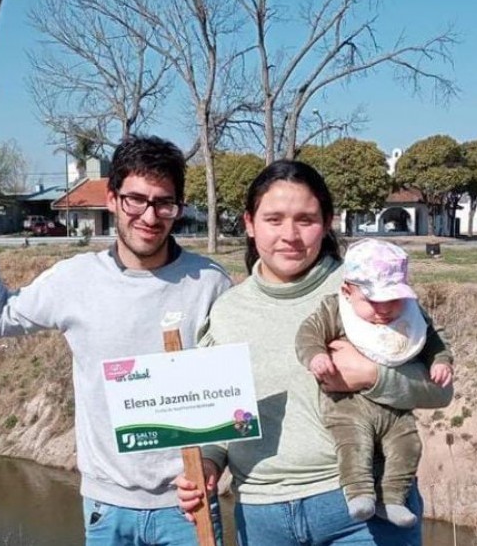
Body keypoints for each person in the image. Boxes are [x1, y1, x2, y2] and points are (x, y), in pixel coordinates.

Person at [0, 135, 232, 546]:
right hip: (105, 509)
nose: (150, 216)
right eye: (135, 199)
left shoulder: (211, 284)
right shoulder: (75, 279)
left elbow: (227, 395)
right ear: (111, 199)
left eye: (163, 203)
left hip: (188, 509)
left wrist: (210, 460)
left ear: (177, 208)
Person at [176, 160, 453, 546]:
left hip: (362, 509)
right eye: (274, 219)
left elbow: (440, 391)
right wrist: (207, 464)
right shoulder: (227, 311)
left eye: (305, 219)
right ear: (250, 224)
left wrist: (374, 376)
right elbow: (220, 418)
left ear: (326, 223)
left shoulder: (366, 291)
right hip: (260, 513)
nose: (289, 235)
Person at [296, 238, 454, 528]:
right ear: (347, 290)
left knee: (409, 446)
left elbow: (433, 340)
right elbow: (308, 335)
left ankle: (392, 498)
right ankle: (359, 496)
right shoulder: (335, 310)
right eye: (373, 301)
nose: (385, 310)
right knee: (354, 445)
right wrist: (316, 356)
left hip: (396, 408)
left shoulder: (411, 315)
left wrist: (441, 361)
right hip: (348, 406)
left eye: (393, 300)